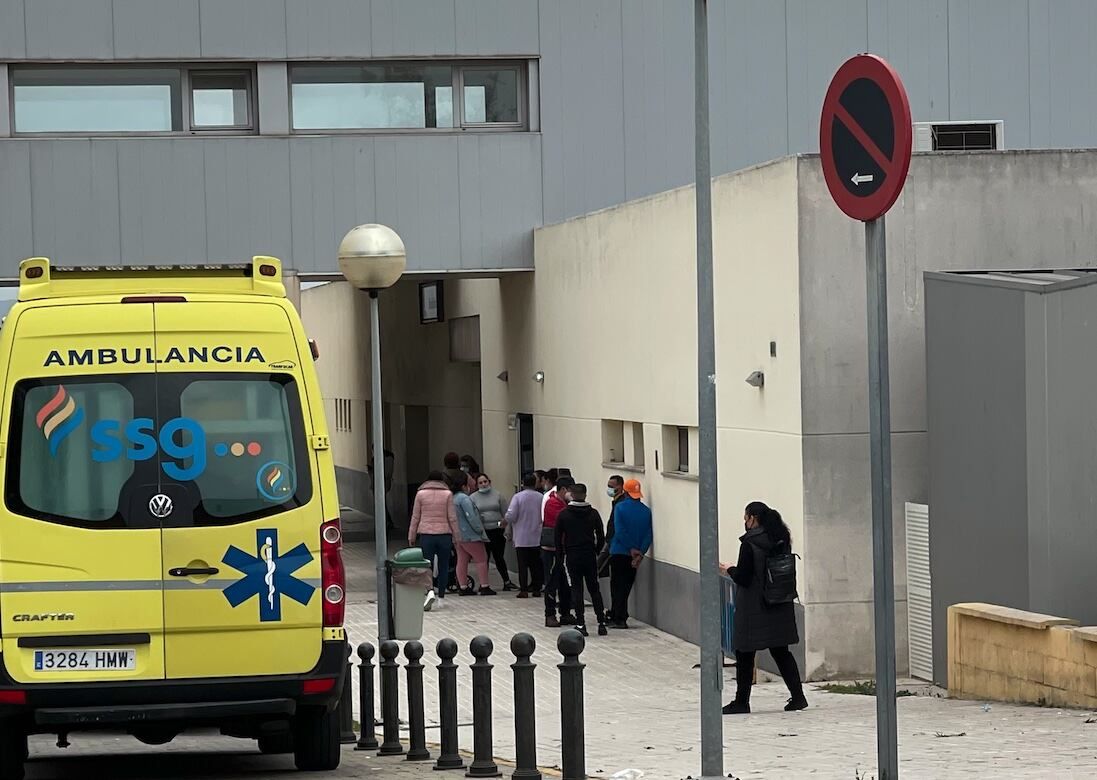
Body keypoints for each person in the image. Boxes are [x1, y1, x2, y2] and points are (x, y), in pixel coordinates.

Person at [719, 501, 807, 714]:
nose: (745, 524)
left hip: (754, 606)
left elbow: (745, 577)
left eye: (746, 519)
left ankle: (741, 702)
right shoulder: (781, 539)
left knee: (744, 653)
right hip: (779, 603)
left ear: (753, 518)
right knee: (781, 651)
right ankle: (798, 697)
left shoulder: (750, 543)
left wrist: (729, 569)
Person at [554, 483, 607, 637]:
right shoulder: (593, 513)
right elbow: (601, 536)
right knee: (594, 589)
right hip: (589, 555)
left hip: (572, 555)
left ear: (571, 494)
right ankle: (601, 623)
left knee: (577, 589)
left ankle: (581, 623)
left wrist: (560, 556)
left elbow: (557, 538)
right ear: (585, 494)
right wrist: (596, 551)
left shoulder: (564, 514)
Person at [408, 471, 460, 609]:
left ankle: (429, 591)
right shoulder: (448, 494)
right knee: (444, 566)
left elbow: (415, 517)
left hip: (426, 535)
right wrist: (457, 536)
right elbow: (452, 517)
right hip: (444, 535)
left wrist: (411, 536)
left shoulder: (420, 494)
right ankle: (441, 598)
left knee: (426, 566)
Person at [608, 478, 652, 629]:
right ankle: (621, 616)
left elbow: (619, 531)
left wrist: (631, 548)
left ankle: (618, 617)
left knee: (616, 586)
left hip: (620, 552)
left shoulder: (619, 508)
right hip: (636, 556)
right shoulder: (646, 511)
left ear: (625, 492)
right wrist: (640, 553)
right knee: (626, 586)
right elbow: (648, 534)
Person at [472, 472, 516, 591]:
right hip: (483, 532)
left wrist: (507, 529)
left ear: (489, 482)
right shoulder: (473, 498)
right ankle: (484, 584)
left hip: (497, 531)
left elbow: (506, 513)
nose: (483, 484)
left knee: (499, 557)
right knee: (484, 559)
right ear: (477, 485)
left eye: (485, 482)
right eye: (480, 483)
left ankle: (507, 582)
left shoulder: (498, 495)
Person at [541, 476, 576, 627]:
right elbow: (566, 520)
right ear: (563, 490)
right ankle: (549, 614)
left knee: (564, 583)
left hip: (563, 549)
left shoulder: (564, 503)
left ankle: (565, 612)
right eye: (570, 491)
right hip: (552, 549)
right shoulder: (553, 503)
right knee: (551, 582)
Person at [505, 473, 545, 597]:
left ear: (522, 483)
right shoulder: (541, 497)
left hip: (521, 537)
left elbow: (511, 515)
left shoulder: (518, 497)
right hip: (537, 536)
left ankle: (523, 590)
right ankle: (537, 589)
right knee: (536, 565)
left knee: (522, 565)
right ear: (535, 483)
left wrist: (505, 521)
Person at [454, 483, 495, 596]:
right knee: (481, 559)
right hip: (470, 534)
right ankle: (484, 585)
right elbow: (471, 516)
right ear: (463, 485)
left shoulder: (452, 498)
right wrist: (479, 529)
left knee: (462, 560)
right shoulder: (464, 498)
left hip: (458, 534)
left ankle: (463, 586)